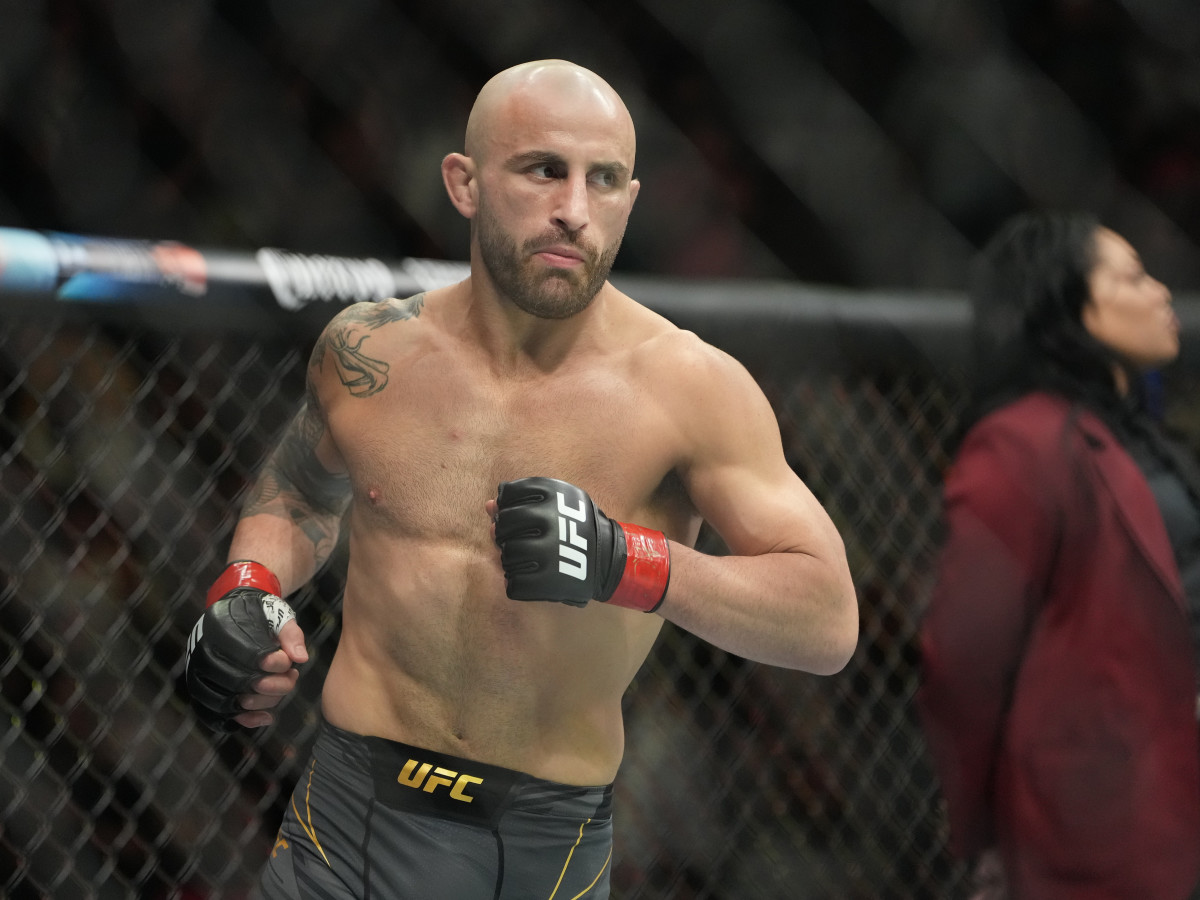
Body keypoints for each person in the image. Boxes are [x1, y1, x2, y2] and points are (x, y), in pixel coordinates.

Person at [184, 59, 859, 899]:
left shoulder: (691, 388)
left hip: (537, 850)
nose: (573, 211)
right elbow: (297, 495)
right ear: (464, 183)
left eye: (603, 180)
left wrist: (628, 562)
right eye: (543, 169)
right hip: (344, 824)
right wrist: (248, 586)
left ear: (631, 198)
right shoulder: (370, 351)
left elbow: (827, 619)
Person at [917, 210, 1200, 899]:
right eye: (1131, 277)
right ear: (1069, 303)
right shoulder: (1022, 443)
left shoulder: (1137, 435)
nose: (1161, 292)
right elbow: (964, 656)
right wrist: (988, 830)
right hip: (1096, 813)